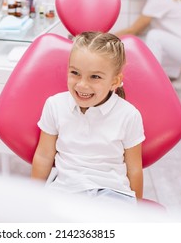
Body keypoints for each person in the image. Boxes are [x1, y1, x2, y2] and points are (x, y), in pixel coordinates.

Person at [31, 32, 145, 204]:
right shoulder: (55, 105)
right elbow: (44, 156)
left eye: (95, 77)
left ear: (115, 81)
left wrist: (138, 211)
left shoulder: (129, 115)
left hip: (112, 194)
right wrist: (31, 198)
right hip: (65, 191)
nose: (82, 84)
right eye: (75, 73)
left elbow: (134, 168)